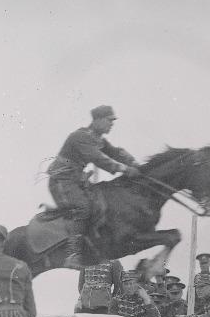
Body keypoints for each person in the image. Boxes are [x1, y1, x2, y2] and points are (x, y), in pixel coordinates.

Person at [47, 106, 141, 269]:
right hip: (61, 181)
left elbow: (115, 152)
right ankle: (72, 254)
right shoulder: (80, 137)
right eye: (109, 120)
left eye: (112, 121)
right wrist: (125, 169)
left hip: (76, 181)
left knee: (101, 204)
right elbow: (99, 158)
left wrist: (135, 164)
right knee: (82, 207)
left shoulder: (98, 139)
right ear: (97, 120)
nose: (111, 124)